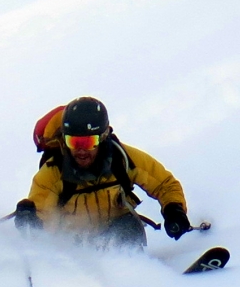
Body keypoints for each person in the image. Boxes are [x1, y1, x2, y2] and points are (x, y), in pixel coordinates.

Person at [14, 96, 191, 248]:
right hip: (75, 245)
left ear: (103, 137)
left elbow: (164, 184)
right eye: (73, 142)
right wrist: (31, 222)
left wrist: (174, 211)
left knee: (130, 226)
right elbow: (42, 218)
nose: (81, 150)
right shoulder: (52, 174)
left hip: (119, 229)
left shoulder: (123, 159)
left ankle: (133, 274)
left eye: (88, 142)